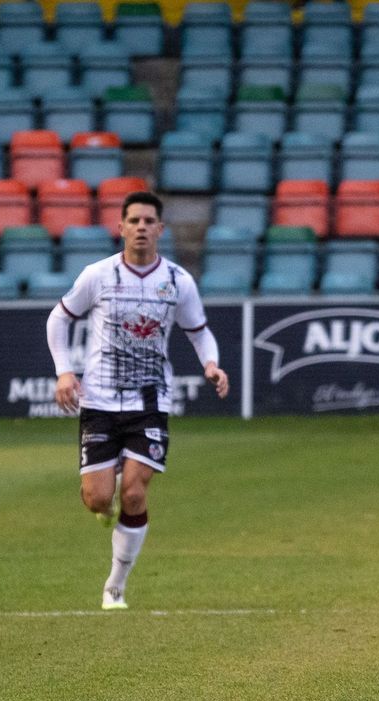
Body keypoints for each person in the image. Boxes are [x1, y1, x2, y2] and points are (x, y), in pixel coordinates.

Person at [46, 190, 229, 611]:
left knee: (134, 493)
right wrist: (64, 371)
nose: (142, 227)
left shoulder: (178, 281)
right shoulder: (99, 275)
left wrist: (212, 364)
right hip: (100, 401)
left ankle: (115, 586)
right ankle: (101, 503)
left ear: (160, 229)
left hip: (151, 400)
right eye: (135, 221)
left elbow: (199, 330)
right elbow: (59, 317)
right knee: (97, 497)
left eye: (149, 221)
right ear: (121, 227)